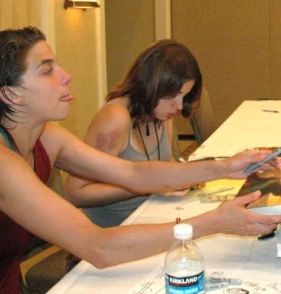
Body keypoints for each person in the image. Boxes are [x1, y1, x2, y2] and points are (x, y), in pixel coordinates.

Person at [0, 27, 281, 294]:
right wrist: (210, 224)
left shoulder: (44, 136)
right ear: (11, 93)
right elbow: (96, 246)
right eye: (47, 69)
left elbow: (134, 174)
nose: (65, 75)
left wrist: (226, 167)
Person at [64, 40, 204, 228]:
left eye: (184, 97)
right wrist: (144, 184)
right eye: (172, 95)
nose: (179, 106)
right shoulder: (116, 119)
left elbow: (162, 161)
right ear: (151, 85)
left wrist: (183, 175)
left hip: (149, 218)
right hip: (110, 232)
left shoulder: (163, 114)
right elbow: (75, 193)